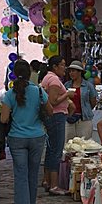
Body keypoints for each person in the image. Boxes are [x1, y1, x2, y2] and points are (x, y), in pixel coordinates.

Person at [1, 60, 52, 204]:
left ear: (14, 73)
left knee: (20, 175)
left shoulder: (9, 94)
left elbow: (3, 118)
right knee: (33, 173)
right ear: (30, 73)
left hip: (17, 137)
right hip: (37, 136)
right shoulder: (38, 91)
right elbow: (50, 110)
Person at [39, 56, 72, 195]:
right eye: (63, 65)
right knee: (56, 150)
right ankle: (54, 184)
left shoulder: (47, 78)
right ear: (55, 66)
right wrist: (67, 95)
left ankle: (46, 180)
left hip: (53, 117)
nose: (65, 68)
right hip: (56, 116)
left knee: (51, 149)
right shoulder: (53, 80)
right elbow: (52, 101)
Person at [64, 60, 97, 141]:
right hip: (69, 119)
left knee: (85, 143)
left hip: (84, 119)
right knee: (68, 143)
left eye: (73, 71)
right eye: (70, 71)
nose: (71, 73)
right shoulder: (66, 85)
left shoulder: (88, 86)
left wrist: (86, 109)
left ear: (80, 72)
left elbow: (93, 102)